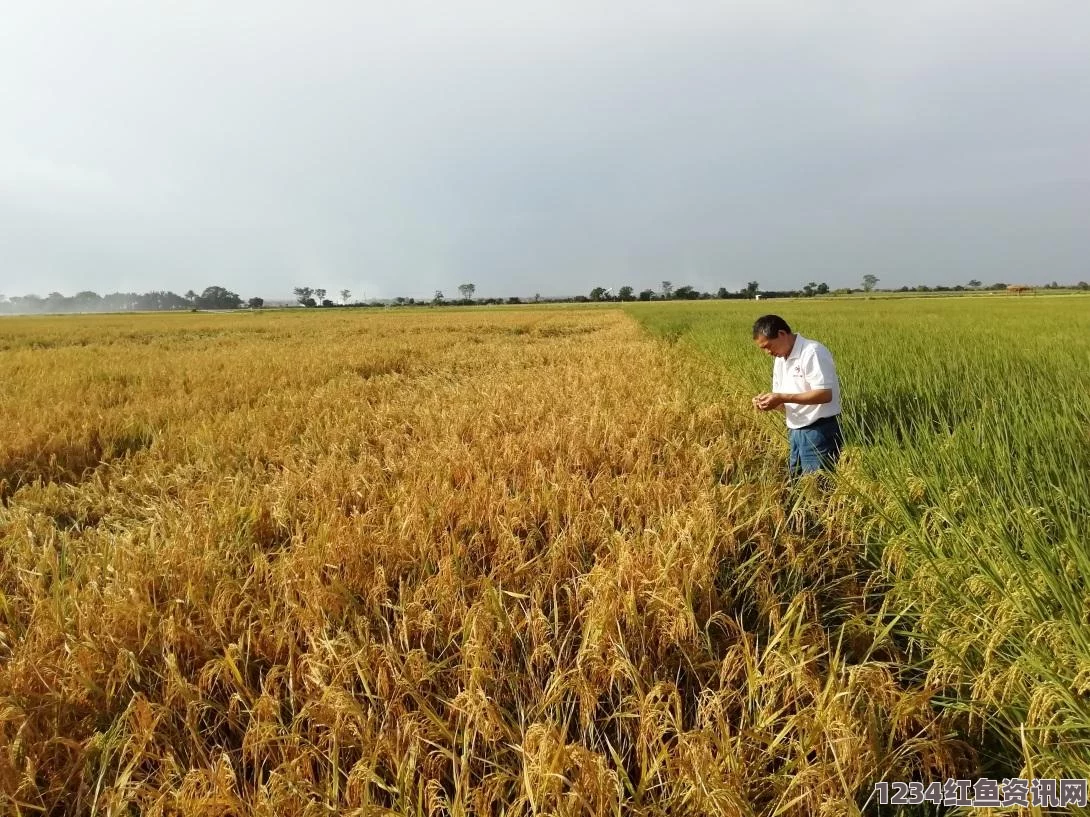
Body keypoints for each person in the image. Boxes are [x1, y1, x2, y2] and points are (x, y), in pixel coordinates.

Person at [751, 315, 842, 477]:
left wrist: (782, 397)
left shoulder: (812, 351)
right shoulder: (780, 359)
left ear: (781, 334)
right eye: (763, 349)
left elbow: (825, 394)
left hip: (818, 430)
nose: (768, 352)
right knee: (797, 482)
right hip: (795, 431)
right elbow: (783, 402)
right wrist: (768, 403)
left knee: (817, 487)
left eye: (768, 346)